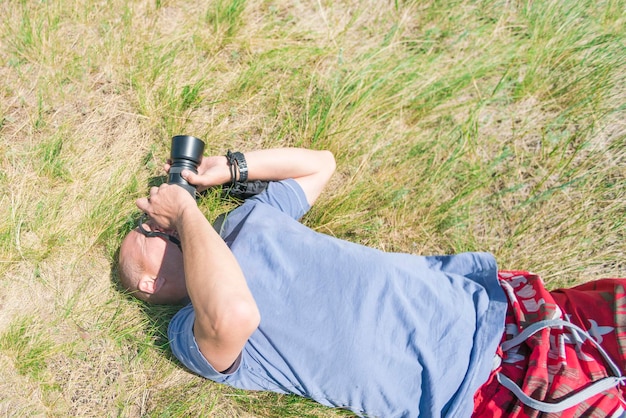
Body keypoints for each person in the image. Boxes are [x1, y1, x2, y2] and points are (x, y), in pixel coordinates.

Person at [118, 147, 626, 417]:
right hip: (494, 392)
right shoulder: (189, 331)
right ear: (147, 285)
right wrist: (184, 212)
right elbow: (234, 312)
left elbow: (320, 165)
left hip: (516, 312)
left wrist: (226, 171)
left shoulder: (244, 222)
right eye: (146, 230)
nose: (155, 220)